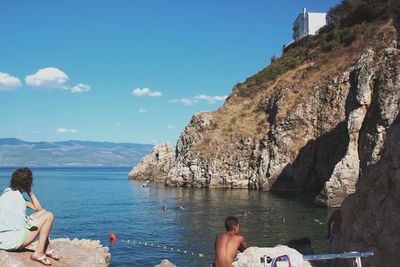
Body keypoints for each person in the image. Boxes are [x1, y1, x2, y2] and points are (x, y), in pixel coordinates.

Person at [0, 168, 59, 265]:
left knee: (43, 213)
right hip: (14, 241)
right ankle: (39, 253)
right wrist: (30, 192)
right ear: (28, 183)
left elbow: (39, 209)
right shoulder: (18, 197)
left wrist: (27, 219)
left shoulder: (7, 194)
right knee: (49, 215)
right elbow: (38, 208)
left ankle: (48, 249)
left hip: (3, 239)